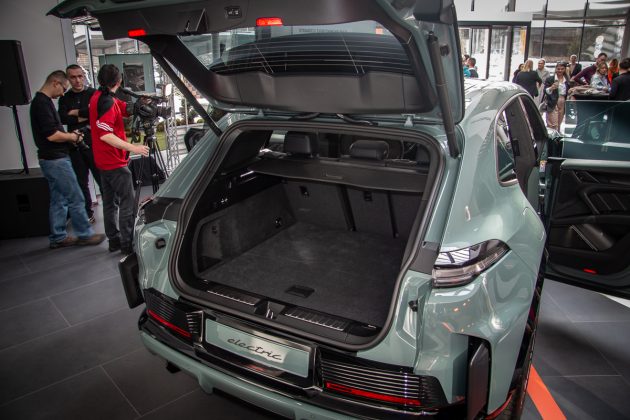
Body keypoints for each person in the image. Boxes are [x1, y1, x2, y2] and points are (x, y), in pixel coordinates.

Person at [29, 70, 106, 249]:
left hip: (51, 158)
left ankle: (58, 237)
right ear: (55, 83)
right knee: (76, 196)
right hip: (55, 159)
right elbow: (52, 135)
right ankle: (85, 234)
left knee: (59, 199)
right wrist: (72, 137)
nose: (63, 93)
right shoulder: (42, 104)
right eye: (63, 88)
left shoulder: (42, 101)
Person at [89, 64, 149, 254]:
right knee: (127, 203)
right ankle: (126, 244)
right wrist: (134, 148)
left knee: (109, 203)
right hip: (114, 162)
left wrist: (138, 105)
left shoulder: (98, 96)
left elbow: (121, 108)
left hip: (102, 161)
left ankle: (114, 241)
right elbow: (105, 135)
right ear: (119, 80)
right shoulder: (106, 101)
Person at [58, 64, 101, 223]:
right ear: (68, 79)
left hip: (94, 144)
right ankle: (87, 213)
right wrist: (85, 114)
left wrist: (75, 113)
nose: (77, 80)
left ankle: (111, 209)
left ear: (84, 76)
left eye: (79, 76)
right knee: (81, 181)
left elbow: (96, 113)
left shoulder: (93, 94)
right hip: (75, 145)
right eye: (73, 77)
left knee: (101, 177)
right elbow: (63, 118)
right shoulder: (64, 97)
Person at [543, 62, 570, 131]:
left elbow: (568, 91)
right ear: (556, 69)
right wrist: (551, 88)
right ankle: (552, 135)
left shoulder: (567, 80)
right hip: (552, 101)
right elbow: (545, 91)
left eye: (562, 69)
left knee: (559, 122)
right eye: (558, 69)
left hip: (562, 100)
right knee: (552, 123)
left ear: (565, 69)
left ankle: (557, 134)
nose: (560, 70)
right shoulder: (550, 79)